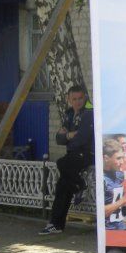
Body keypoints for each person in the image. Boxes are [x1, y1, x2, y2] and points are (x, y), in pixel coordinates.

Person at [39, 85, 94, 235]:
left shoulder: (89, 113)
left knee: (61, 163)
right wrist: (69, 135)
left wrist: (67, 137)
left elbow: (82, 139)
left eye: (80, 98)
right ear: (69, 99)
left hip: (87, 154)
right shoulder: (69, 114)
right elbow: (58, 138)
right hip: (73, 156)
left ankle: (80, 185)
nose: (78, 102)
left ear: (85, 97)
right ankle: (56, 224)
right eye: (74, 99)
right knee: (62, 186)